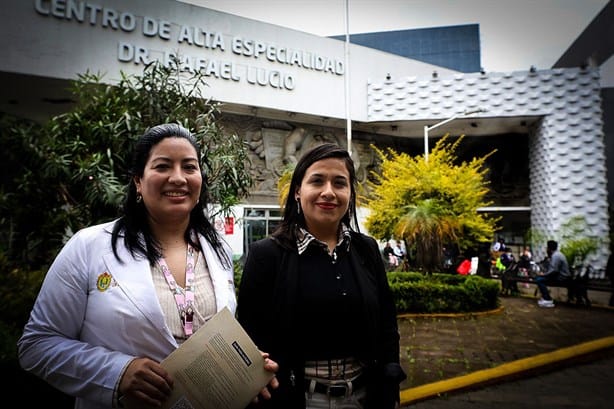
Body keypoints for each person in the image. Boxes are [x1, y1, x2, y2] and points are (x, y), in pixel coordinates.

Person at [17, 123, 279, 409]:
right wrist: (117, 373)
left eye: (189, 167)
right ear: (138, 181)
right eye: (163, 166)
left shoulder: (217, 250)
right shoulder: (89, 247)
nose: (178, 178)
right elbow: (37, 345)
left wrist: (243, 367)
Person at [237, 143, 406, 409]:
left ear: (350, 193)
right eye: (317, 181)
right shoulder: (266, 255)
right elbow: (248, 336)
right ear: (297, 191)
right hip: (297, 399)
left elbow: (387, 324)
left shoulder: (367, 250)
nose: (328, 192)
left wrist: (390, 381)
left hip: (364, 397)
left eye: (340, 183)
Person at [534, 240, 571, 308]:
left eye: (547, 248)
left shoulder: (555, 256)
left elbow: (553, 271)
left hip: (562, 278)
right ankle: (546, 298)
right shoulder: (557, 254)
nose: (546, 249)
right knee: (540, 278)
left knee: (539, 279)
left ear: (549, 248)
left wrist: (543, 275)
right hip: (562, 276)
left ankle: (547, 299)